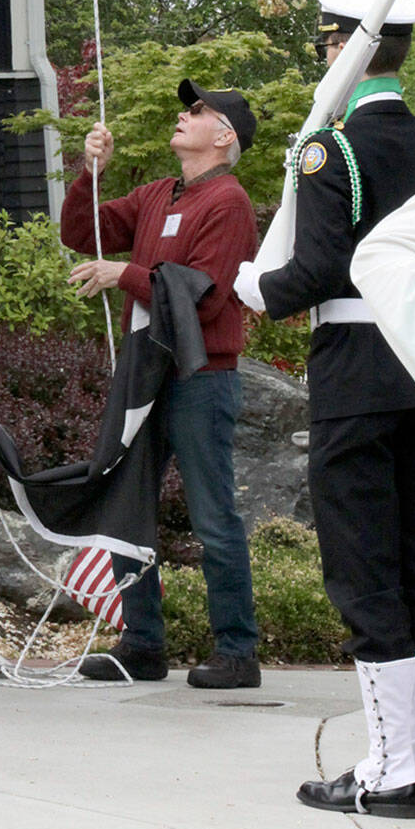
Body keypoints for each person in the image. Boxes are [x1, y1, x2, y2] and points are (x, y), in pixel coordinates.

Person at [237, 0, 415, 817]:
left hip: (355, 377)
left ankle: (392, 770)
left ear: (335, 49)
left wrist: (258, 290)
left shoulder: (331, 153)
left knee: (365, 573)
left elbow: (315, 273)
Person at [61, 81, 261, 686]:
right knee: (128, 508)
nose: (184, 112)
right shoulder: (157, 194)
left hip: (201, 379)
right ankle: (142, 645)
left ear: (224, 136)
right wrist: (90, 172)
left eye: (198, 110)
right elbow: (81, 233)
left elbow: (200, 294)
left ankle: (237, 652)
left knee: (212, 517)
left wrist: (127, 273)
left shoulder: (228, 202)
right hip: (145, 372)